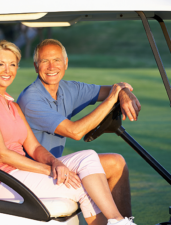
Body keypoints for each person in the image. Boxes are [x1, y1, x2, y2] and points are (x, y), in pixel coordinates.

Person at [0, 40, 136, 225]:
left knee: (88, 157)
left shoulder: (12, 105)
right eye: (0, 64)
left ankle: (120, 221)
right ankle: (120, 222)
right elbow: (1, 154)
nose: (7, 70)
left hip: (19, 173)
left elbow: (34, 146)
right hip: (0, 181)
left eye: (12, 64)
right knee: (82, 186)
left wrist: (55, 163)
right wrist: (50, 169)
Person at [17, 39, 142, 217]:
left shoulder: (68, 88)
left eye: (57, 60)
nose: (51, 66)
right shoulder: (31, 99)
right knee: (89, 166)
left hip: (58, 164)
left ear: (66, 63)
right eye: (45, 61)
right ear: (36, 66)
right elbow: (75, 132)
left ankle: (125, 222)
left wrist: (123, 91)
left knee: (116, 163)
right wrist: (113, 97)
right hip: (36, 171)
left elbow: (109, 90)